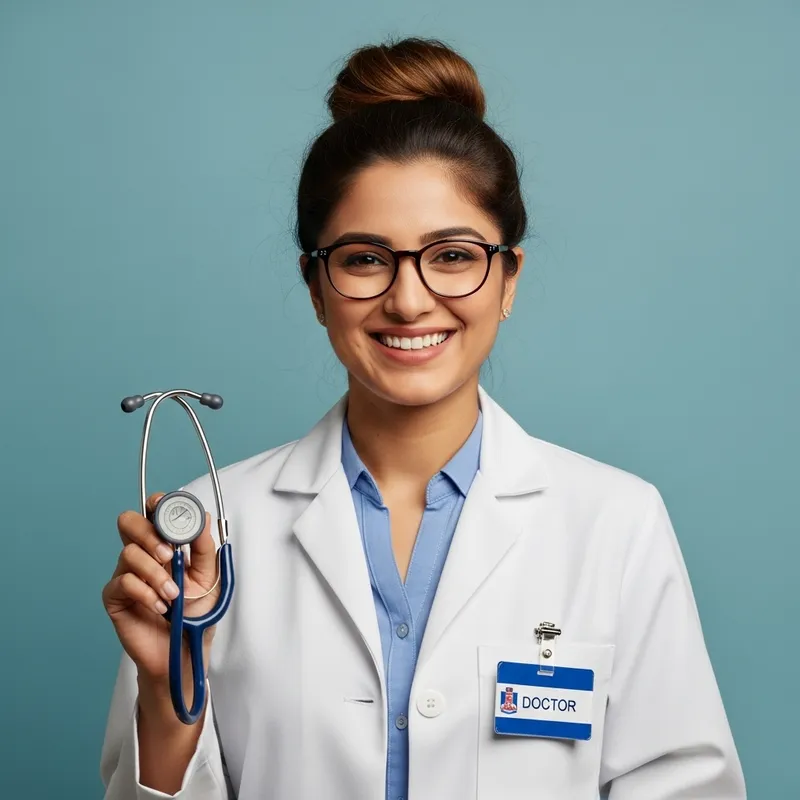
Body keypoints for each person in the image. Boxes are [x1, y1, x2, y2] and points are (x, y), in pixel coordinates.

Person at [100, 37, 746, 800]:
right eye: (366, 258)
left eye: (451, 255)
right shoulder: (209, 529)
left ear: (508, 278)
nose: (409, 300)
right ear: (315, 286)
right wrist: (166, 692)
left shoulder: (616, 523)